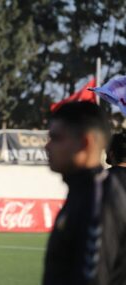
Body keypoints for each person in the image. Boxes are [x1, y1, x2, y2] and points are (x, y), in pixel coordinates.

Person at [43, 102, 126, 284]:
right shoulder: (83, 191)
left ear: (85, 142)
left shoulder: (100, 199)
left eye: (56, 138)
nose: (47, 147)